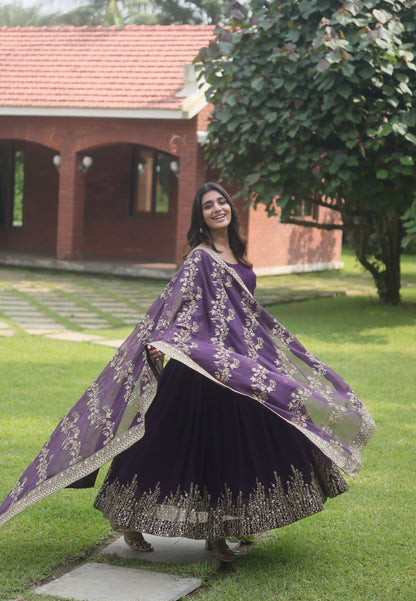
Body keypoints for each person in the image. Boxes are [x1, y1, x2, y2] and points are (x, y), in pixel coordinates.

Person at [0, 183, 375, 564]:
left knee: (249, 437)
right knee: (161, 440)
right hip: (200, 368)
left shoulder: (239, 256)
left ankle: (226, 525)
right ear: (201, 217)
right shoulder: (200, 258)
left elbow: (243, 316)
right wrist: (163, 340)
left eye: (221, 202)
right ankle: (131, 517)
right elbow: (178, 305)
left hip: (238, 368)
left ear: (231, 208)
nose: (217, 209)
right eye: (208, 206)